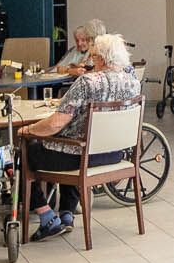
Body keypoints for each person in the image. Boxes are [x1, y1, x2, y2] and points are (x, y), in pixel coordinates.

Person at [19, 32, 143, 239]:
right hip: (113, 154)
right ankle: (67, 213)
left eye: (92, 56)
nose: (89, 61)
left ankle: (46, 215)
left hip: (81, 157)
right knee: (72, 145)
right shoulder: (133, 82)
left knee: (24, 152)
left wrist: (29, 130)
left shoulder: (88, 82)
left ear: (102, 59)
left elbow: (55, 124)